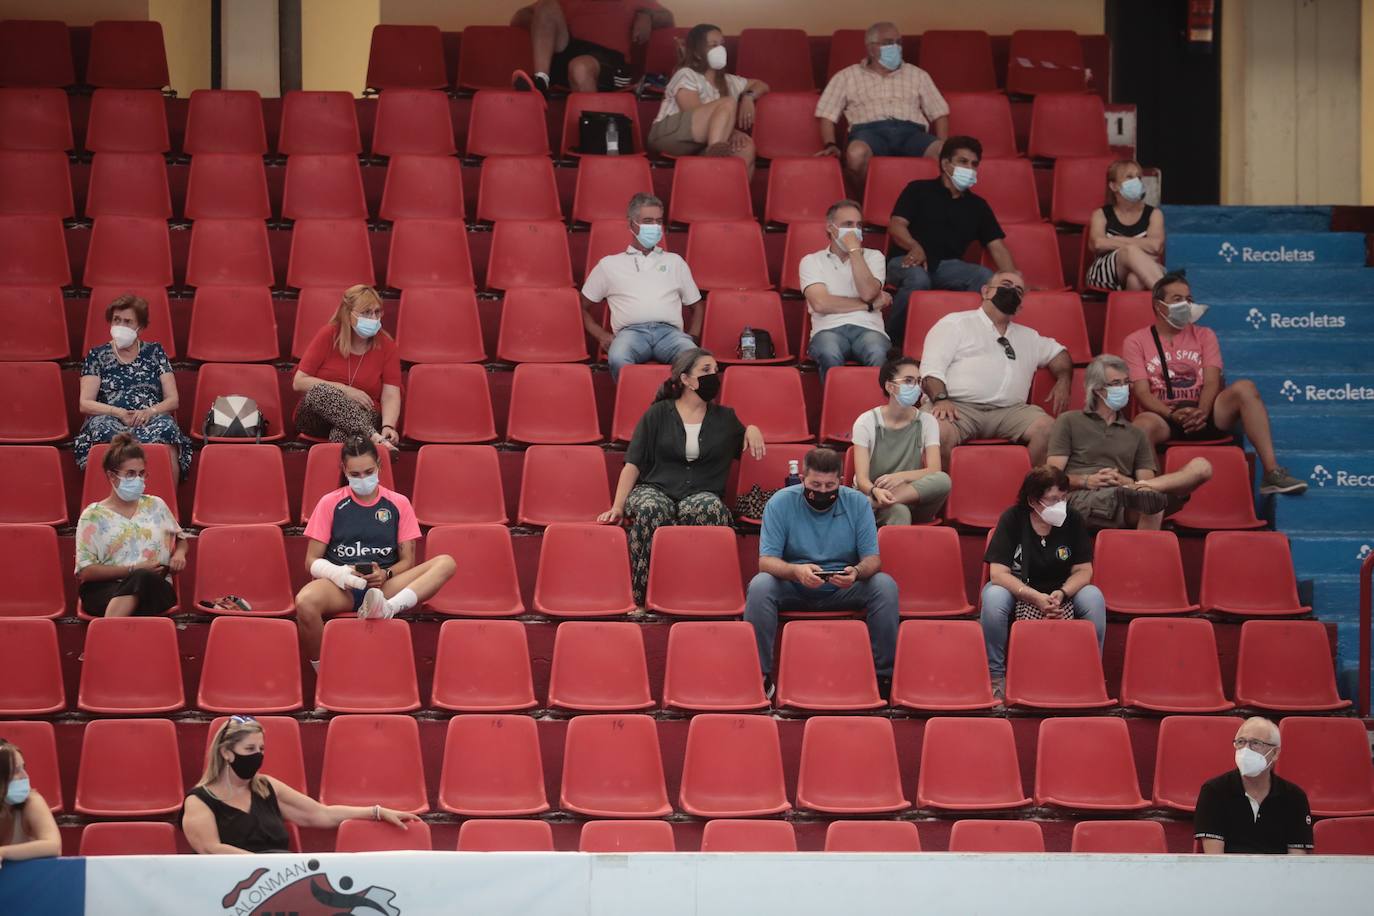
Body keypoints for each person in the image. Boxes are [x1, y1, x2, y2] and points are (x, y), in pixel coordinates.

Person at [599, 348, 765, 604]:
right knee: (650, 508)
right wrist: (618, 506)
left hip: (700, 493)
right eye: (706, 371)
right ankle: (639, 598)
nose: (714, 376)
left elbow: (745, 438)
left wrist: (752, 428)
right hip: (655, 488)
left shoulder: (725, 418)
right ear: (686, 379)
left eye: (715, 371)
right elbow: (632, 463)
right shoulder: (657, 414)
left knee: (711, 509)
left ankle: (707, 594)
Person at [1124, 271, 1307, 494]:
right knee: (1141, 425)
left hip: (1206, 411)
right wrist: (1172, 414)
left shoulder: (1205, 335)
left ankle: (1272, 473)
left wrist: (1201, 411)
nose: (1186, 304)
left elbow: (1212, 381)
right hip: (1166, 416)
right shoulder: (1136, 341)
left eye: (1188, 299)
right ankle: (1156, 495)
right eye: (1177, 299)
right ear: (1158, 305)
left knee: (1245, 388)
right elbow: (1142, 392)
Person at [744, 447, 899, 697]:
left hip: (843, 586)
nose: (822, 491)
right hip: (795, 584)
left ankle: (884, 677)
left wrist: (856, 572)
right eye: (815, 484)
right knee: (761, 585)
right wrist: (796, 571)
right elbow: (766, 562)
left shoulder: (858, 503)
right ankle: (759, 675)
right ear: (803, 479)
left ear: (840, 481)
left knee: (884, 585)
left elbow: (873, 560)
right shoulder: (780, 502)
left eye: (830, 485)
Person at [295, 437, 456, 668]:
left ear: (379, 465)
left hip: (384, 588)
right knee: (304, 602)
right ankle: (327, 676)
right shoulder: (330, 503)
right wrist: (340, 574)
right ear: (344, 470)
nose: (363, 479)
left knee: (446, 562)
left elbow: (407, 561)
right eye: (355, 474)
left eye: (368, 471)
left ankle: (388, 609)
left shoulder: (399, 503)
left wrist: (386, 574)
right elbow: (311, 560)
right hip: (342, 588)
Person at [183, 716, 419, 854]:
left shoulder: (266, 787)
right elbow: (210, 850)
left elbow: (319, 814)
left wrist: (376, 812)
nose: (257, 756)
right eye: (249, 749)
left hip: (282, 884)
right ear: (226, 752)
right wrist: (264, 868)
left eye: (261, 749)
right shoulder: (199, 801)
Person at [920, 271, 1072, 466]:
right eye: (1006, 284)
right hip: (958, 408)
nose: (1011, 291)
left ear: (1021, 304)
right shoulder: (955, 324)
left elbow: (1060, 354)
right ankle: (945, 495)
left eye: (1018, 290)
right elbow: (931, 370)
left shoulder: (1029, 337)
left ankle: (1028, 492)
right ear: (985, 291)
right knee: (937, 430)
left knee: (1049, 428)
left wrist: (1064, 379)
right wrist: (940, 399)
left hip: (1010, 411)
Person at [981, 465, 1106, 699]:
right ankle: (995, 677)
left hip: (1062, 589)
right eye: (1052, 499)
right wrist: (1034, 597)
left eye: (1063, 498)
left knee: (1093, 597)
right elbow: (998, 573)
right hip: (1019, 588)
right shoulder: (1012, 518)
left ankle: (1091, 676)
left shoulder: (1073, 519)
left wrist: (1063, 592)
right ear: (1032, 500)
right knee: (993, 595)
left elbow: (1083, 570)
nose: (1060, 504)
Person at [1047, 354, 1213, 530]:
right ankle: (1146, 555)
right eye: (1116, 383)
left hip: (1126, 494)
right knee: (1151, 501)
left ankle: (1143, 551)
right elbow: (1051, 478)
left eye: (1126, 382)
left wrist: (1126, 482)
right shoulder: (1069, 421)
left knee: (1202, 467)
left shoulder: (1136, 433)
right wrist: (1086, 480)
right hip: (1080, 497)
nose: (1124, 388)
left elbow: (1147, 483)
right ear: (1097, 389)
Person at [884, 136, 1014, 346]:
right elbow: (896, 225)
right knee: (918, 280)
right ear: (945, 164)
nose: (970, 168)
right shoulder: (918, 189)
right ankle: (894, 341)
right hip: (905, 261)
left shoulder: (977, 206)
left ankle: (969, 339)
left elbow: (996, 246)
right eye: (963, 162)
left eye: (974, 164)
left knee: (984, 277)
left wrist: (1013, 279)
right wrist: (914, 246)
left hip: (946, 268)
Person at [581, 193, 702, 380]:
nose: (654, 227)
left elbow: (697, 306)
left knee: (696, 361)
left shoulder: (675, 261)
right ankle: (630, 407)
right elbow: (580, 306)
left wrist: (692, 336)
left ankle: (681, 410)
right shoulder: (609, 264)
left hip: (669, 334)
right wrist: (600, 335)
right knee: (618, 357)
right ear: (631, 224)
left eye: (658, 221)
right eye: (647, 221)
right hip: (630, 334)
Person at [814, 21, 948, 189]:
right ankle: (868, 201)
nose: (895, 47)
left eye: (898, 42)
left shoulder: (917, 75)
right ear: (870, 48)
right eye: (887, 43)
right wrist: (830, 144)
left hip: (912, 133)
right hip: (869, 133)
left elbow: (939, 113)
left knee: (946, 155)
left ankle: (930, 205)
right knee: (856, 154)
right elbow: (827, 114)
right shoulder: (846, 76)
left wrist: (945, 144)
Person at [74, 292, 193, 479]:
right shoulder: (96, 355)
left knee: (167, 428)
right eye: (116, 320)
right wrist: (118, 412)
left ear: (140, 326)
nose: (120, 326)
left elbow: (173, 400)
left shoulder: (155, 352)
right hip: (110, 416)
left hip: (150, 417)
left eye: (128, 322)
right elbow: (85, 403)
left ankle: (167, 504)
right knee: (101, 429)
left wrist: (150, 412)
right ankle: (105, 504)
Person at [74, 432, 187, 618]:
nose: (138, 479)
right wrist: (133, 570)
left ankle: (105, 637)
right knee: (137, 581)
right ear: (112, 476)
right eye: (130, 474)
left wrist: (180, 553)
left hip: (155, 588)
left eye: (142, 474)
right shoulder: (92, 516)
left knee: (143, 579)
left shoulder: (156, 505)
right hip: (105, 590)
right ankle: (116, 631)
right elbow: (86, 571)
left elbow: (181, 540)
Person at [647, 23, 769, 177]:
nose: (720, 49)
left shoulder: (729, 81)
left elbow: (761, 85)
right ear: (698, 53)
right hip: (668, 136)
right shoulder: (686, 74)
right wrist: (732, 131)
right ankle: (715, 160)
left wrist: (748, 97)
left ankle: (734, 197)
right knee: (728, 102)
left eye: (722, 44)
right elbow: (693, 111)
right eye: (713, 45)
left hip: (699, 143)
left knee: (746, 146)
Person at [294, 285, 401, 454]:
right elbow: (299, 382)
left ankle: (340, 480)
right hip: (316, 418)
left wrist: (388, 425)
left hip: (364, 414)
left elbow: (390, 394)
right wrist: (346, 391)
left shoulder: (387, 346)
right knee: (319, 390)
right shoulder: (328, 335)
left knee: (343, 434)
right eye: (366, 312)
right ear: (348, 313)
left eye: (377, 312)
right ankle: (375, 439)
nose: (373, 318)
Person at [851, 351, 950, 526]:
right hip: (874, 495)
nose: (916, 387)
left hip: (913, 498)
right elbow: (862, 480)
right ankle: (876, 503)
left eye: (918, 381)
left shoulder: (927, 421)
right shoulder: (866, 422)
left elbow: (934, 469)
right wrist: (875, 492)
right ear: (890, 387)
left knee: (943, 480)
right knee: (899, 511)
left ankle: (873, 504)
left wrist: (901, 477)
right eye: (909, 381)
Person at [799, 199, 893, 383]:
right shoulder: (811, 261)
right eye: (847, 225)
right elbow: (821, 303)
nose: (854, 230)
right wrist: (869, 306)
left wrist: (854, 250)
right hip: (827, 330)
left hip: (869, 329)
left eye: (859, 225)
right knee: (828, 351)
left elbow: (867, 292)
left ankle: (872, 408)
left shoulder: (874, 257)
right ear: (830, 228)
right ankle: (835, 408)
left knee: (878, 351)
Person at [1195, 717, 1312, 855]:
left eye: (1255, 743)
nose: (1245, 750)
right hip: (1229, 873)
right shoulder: (1214, 791)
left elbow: (1297, 864)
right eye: (1241, 742)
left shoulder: (1294, 797)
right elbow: (1215, 860)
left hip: (1279, 874)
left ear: (1275, 753)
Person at [511, 0, 674, 95]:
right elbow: (519, 17)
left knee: (580, 67)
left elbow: (668, 17)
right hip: (570, 51)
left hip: (611, 61)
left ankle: (594, 140)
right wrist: (542, 27)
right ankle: (541, 82)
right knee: (547, 6)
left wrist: (647, 16)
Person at [1085, 159, 1165, 292]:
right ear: (1113, 186)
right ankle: (1169, 299)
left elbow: (1156, 246)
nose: (1136, 181)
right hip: (1105, 274)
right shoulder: (1100, 214)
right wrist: (1138, 247)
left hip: (1145, 271)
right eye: (1129, 177)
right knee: (1130, 251)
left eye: (1138, 177)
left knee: (1135, 279)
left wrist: (1113, 240)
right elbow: (1098, 243)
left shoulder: (1154, 214)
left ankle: (1132, 311)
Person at [0, 738, 61, 867]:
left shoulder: (32, 801)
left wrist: (2, 852)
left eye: (23, 768)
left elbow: (53, 846)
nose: (25, 776)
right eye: (16, 771)